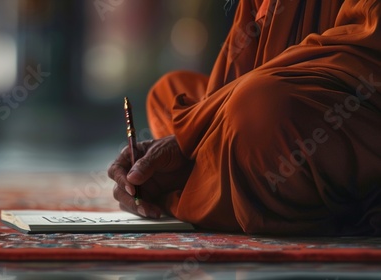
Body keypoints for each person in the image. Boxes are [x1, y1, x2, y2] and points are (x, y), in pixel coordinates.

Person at [108, 0, 381, 236]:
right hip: (273, 107)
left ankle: (189, 181)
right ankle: (214, 173)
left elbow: (362, 55)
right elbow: (236, 70)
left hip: (356, 107)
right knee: (167, 93)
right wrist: (199, 131)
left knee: (256, 109)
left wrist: (194, 135)